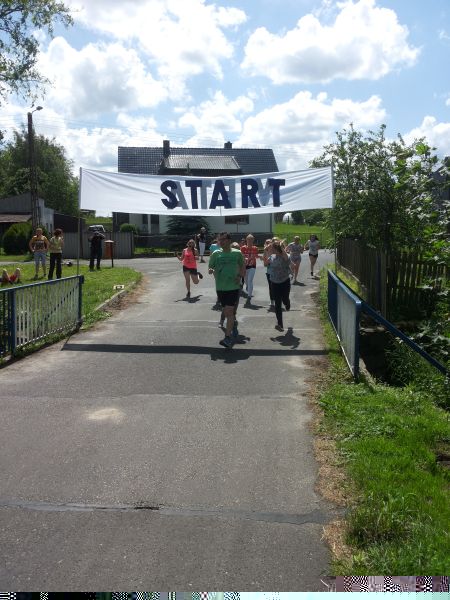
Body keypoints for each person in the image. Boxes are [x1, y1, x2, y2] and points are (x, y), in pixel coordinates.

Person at [209, 231, 245, 348]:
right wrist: (210, 270)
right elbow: (211, 266)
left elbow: (243, 266)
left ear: (229, 240)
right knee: (226, 311)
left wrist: (240, 276)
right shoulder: (216, 254)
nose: (221, 241)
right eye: (220, 239)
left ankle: (227, 338)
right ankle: (233, 323)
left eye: (223, 239)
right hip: (220, 287)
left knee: (229, 311)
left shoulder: (237, 253)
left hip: (233, 287)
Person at [266, 239, 291, 331]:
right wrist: (267, 250)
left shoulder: (286, 255)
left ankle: (287, 303)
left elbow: (286, 258)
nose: (272, 250)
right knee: (277, 303)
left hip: (285, 281)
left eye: (273, 248)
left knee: (285, 299)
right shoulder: (272, 257)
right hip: (274, 282)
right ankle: (280, 323)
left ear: (278, 249)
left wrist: (280, 247)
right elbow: (266, 262)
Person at [240, 233, 259, 304]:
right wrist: (244, 258)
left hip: (252, 266)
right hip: (245, 266)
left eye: (251, 240)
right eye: (248, 240)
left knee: (250, 280)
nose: (250, 241)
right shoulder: (243, 248)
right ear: (246, 240)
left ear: (253, 240)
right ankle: (248, 286)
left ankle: (249, 296)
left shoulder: (255, 248)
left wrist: (260, 257)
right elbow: (241, 256)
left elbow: (256, 256)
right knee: (246, 281)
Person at [260, 238, 275, 309]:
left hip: (278, 272)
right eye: (267, 243)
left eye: (270, 242)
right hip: (269, 272)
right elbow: (265, 265)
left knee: (278, 286)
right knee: (271, 287)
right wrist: (265, 259)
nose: (268, 244)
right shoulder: (265, 252)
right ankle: (272, 300)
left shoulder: (275, 250)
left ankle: (278, 299)